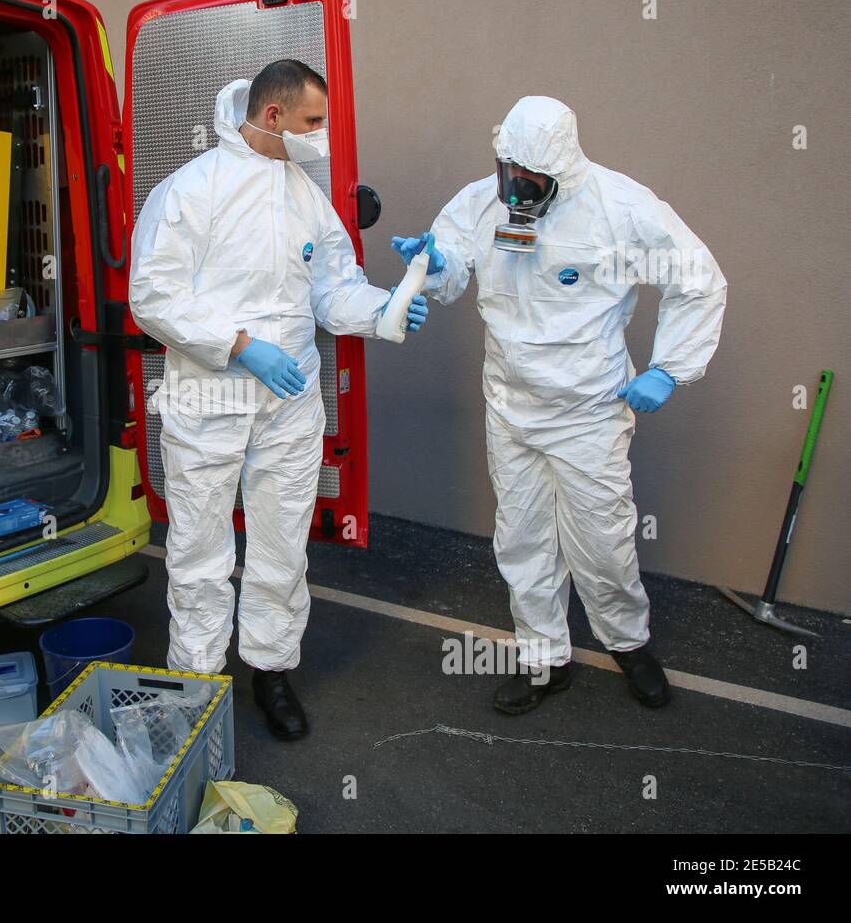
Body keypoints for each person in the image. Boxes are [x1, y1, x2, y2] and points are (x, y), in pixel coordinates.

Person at [393, 95, 726, 714]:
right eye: (509, 173)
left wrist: (670, 369)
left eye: (531, 182)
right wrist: (434, 264)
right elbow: (451, 269)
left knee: (602, 540)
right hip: (511, 407)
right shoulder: (483, 201)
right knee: (522, 539)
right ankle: (544, 658)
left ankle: (627, 643)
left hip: (587, 412)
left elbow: (697, 278)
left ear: (563, 174)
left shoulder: (620, 209)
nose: (516, 189)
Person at [130, 60, 427, 739]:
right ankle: (197, 685)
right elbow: (152, 296)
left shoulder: (304, 195)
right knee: (201, 550)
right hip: (209, 399)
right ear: (272, 116)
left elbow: (332, 286)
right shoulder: (191, 190)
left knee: (281, 544)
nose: (320, 136)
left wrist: (384, 310)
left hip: (287, 403)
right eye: (312, 122)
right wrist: (238, 344)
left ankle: (271, 669)